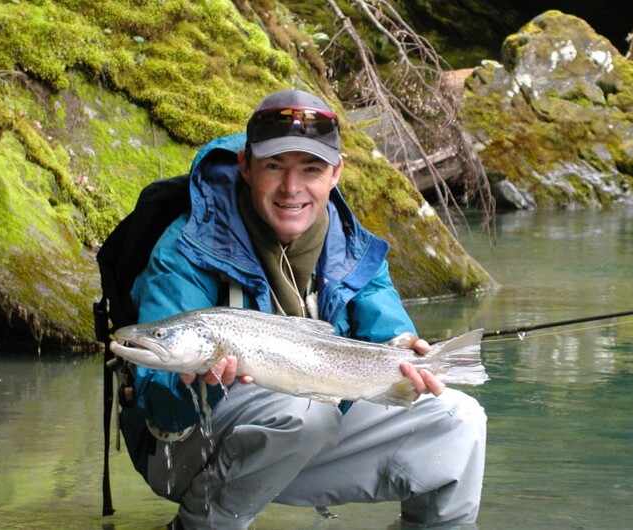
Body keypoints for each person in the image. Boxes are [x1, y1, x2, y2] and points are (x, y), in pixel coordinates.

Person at [117, 88, 487, 529]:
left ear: (335, 174)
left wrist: (409, 352)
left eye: (311, 169)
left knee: (459, 419)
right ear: (246, 166)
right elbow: (160, 406)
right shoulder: (185, 248)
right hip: (183, 445)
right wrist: (200, 385)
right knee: (303, 414)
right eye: (275, 166)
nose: (291, 189)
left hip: (312, 431)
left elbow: (387, 335)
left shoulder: (354, 250)